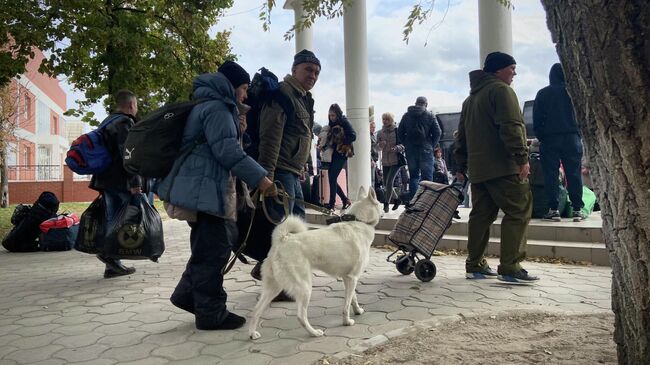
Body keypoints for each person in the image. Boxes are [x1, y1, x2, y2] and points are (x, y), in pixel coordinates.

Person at [161, 61, 274, 330]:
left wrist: (240, 131)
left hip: (204, 190)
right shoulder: (218, 108)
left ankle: (188, 295)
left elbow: (219, 147)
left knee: (209, 247)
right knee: (213, 251)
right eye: (244, 89)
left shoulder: (210, 106)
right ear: (232, 86)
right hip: (207, 192)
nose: (245, 95)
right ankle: (211, 313)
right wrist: (262, 179)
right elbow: (228, 153)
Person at [454, 51, 539, 283]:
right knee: (519, 210)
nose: (515, 73)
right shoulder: (501, 91)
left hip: (479, 170)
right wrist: (522, 158)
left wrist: (461, 164)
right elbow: (511, 126)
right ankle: (511, 267)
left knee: (481, 215)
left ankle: (475, 264)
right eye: (512, 68)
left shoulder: (470, 99)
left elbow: (461, 137)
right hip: (503, 167)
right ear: (499, 70)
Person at [252, 50, 320, 297]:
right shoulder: (282, 95)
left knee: (296, 227)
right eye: (308, 70)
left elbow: (298, 137)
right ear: (294, 70)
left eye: (316, 72)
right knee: (286, 230)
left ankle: (267, 269)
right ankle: (279, 283)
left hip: (291, 172)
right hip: (279, 171)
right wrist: (266, 177)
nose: (313, 75)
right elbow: (270, 139)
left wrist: (301, 167)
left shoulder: (302, 98)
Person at [89, 90, 143, 279]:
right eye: (136, 104)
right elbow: (127, 154)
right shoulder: (124, 122)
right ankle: (109, 254)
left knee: (113, 218)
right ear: (130, 105)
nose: (136, 108)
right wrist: (135, 182)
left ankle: (112, 265)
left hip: (105, 179)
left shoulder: (107, 121)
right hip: (120, 180)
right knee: (122, 219)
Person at [533, 63, 585, 222]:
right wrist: (578, 133)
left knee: (551, 175)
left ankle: (553, 209)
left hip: (549, 139)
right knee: (574, 173)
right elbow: (583, 115)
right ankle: (577, 209)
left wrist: (542, 137)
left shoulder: (542, 93)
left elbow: (537, 119)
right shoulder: (574, 93)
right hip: (572, 137)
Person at [398, 96, 441, 203]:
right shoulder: (430, 115)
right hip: (426, 150)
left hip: (411, 150)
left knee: (414, 177)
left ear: (415, 103)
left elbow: (400, 133)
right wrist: (431, 145)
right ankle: (426, 202)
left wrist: (407, 144)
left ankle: (414, 202)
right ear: (426, 104)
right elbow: (438, 132)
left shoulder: (406, 115)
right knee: (427, 179)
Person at [318, 104, 355, 211]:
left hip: (342, 153)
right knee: (331, 178)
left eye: (333, 115)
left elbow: (353, 136)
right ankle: (345, 200)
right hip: (334, 153)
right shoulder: (331, 123)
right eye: (330, 116)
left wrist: (341, 142)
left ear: (338, 114)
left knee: (332, 177)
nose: (331, 118)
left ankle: (332, 204)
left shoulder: (344, 121)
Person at [376, 112, 404, 212]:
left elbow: (403, 145)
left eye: (387, 119)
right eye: (383, 119)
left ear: (391, 120)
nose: (385, 121)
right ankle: (397, 200)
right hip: (385, 161)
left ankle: (386, 204)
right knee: (385, 184)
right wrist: (380, 145)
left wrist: (396, 148)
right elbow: (377, 148)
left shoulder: (397, 131)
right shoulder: (380, 132)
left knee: (389, 182)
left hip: (396, 160)